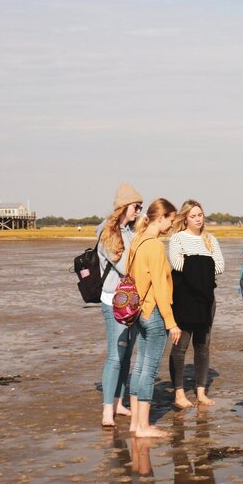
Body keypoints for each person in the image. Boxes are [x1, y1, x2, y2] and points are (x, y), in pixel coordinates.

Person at [127, 198, 182, 438]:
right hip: (153, 313)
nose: (171, 225)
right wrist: (172, 323)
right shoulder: (155, 246)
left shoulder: (137, 241)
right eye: (171, 220)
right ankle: (144, 426)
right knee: (148, 370)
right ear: (160, 218)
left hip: (137, 311)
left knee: (139, 366)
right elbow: (159, 286)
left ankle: (135, 423)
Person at [167, 199, 225, 409]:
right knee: (180, 347)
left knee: (203, 346)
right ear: (185, 218)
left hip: (206, 299)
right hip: (183, 299)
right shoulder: (177, 239)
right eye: (193, 216)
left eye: (200, 215)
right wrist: (203, 263)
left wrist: (193, 261)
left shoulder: (211, 239)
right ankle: (179, 393)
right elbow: (176, 264)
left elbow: (220, 266)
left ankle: (201, 391)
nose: (197, 219)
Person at [97, 183, 143, 428]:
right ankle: (107, 409)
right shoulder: (107, 232)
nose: (139, 211)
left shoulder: (129, 230)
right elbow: (125, 266)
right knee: (115, 355)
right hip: (112, 301)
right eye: (136, 206)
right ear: (124, 206)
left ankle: (118, 402)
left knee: (126, 355)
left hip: (130, 301)